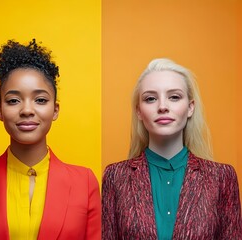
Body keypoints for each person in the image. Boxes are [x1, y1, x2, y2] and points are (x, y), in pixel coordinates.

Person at [0, 39, 101, 240]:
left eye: (40, 100)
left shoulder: (85, 183)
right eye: (13, 100)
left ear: (55, 110)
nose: (26, 110)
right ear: (0, 110)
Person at [102, 58, 242, 239]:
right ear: (139, 111)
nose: (162, 107)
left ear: (190, 107)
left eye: (174, 97)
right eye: (150, 98)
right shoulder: (115, 176)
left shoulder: (222, 177)